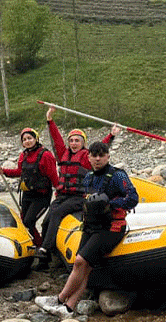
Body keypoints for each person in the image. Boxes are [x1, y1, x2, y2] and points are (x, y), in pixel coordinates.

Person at [35, 141, 137, 319]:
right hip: (91, 226)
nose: (98, 159)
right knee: (85, 267)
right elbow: (85, 199)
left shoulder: (118, 176)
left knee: (80, 261)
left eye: (101, 155)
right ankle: (69, 308)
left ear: (108, 156)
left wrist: (109, 203)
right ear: (88, 157)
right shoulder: (89, 177)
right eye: (94, 155)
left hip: (111, 227)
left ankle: (59, 300)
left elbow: (133, 198)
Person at [34, 106, 118, 271]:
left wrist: (112, 134)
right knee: (46, 221)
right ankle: (46, 258)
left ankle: (44, 250)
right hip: (62, 196)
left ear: (83, 143)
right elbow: (56, 138)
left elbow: (102, 146)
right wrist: (49, 119)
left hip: (79, 198)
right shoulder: (62, 153)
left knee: (57, 213)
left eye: (77, 141)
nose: (73, 143)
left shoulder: (88, 157)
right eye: (71, 140)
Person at [0, 127, 58, 246]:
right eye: (24, 140)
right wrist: (4, 171)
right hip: (27, 195)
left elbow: (53, 176)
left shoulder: (46, 155)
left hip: (42, 196)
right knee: (24, 223)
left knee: (29, 221)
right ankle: (33, 244)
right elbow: (19, 172)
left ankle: (41, 246)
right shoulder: (23, 155)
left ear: (36, 139)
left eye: (29, 138)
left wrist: (59, 192)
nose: (27, 141)